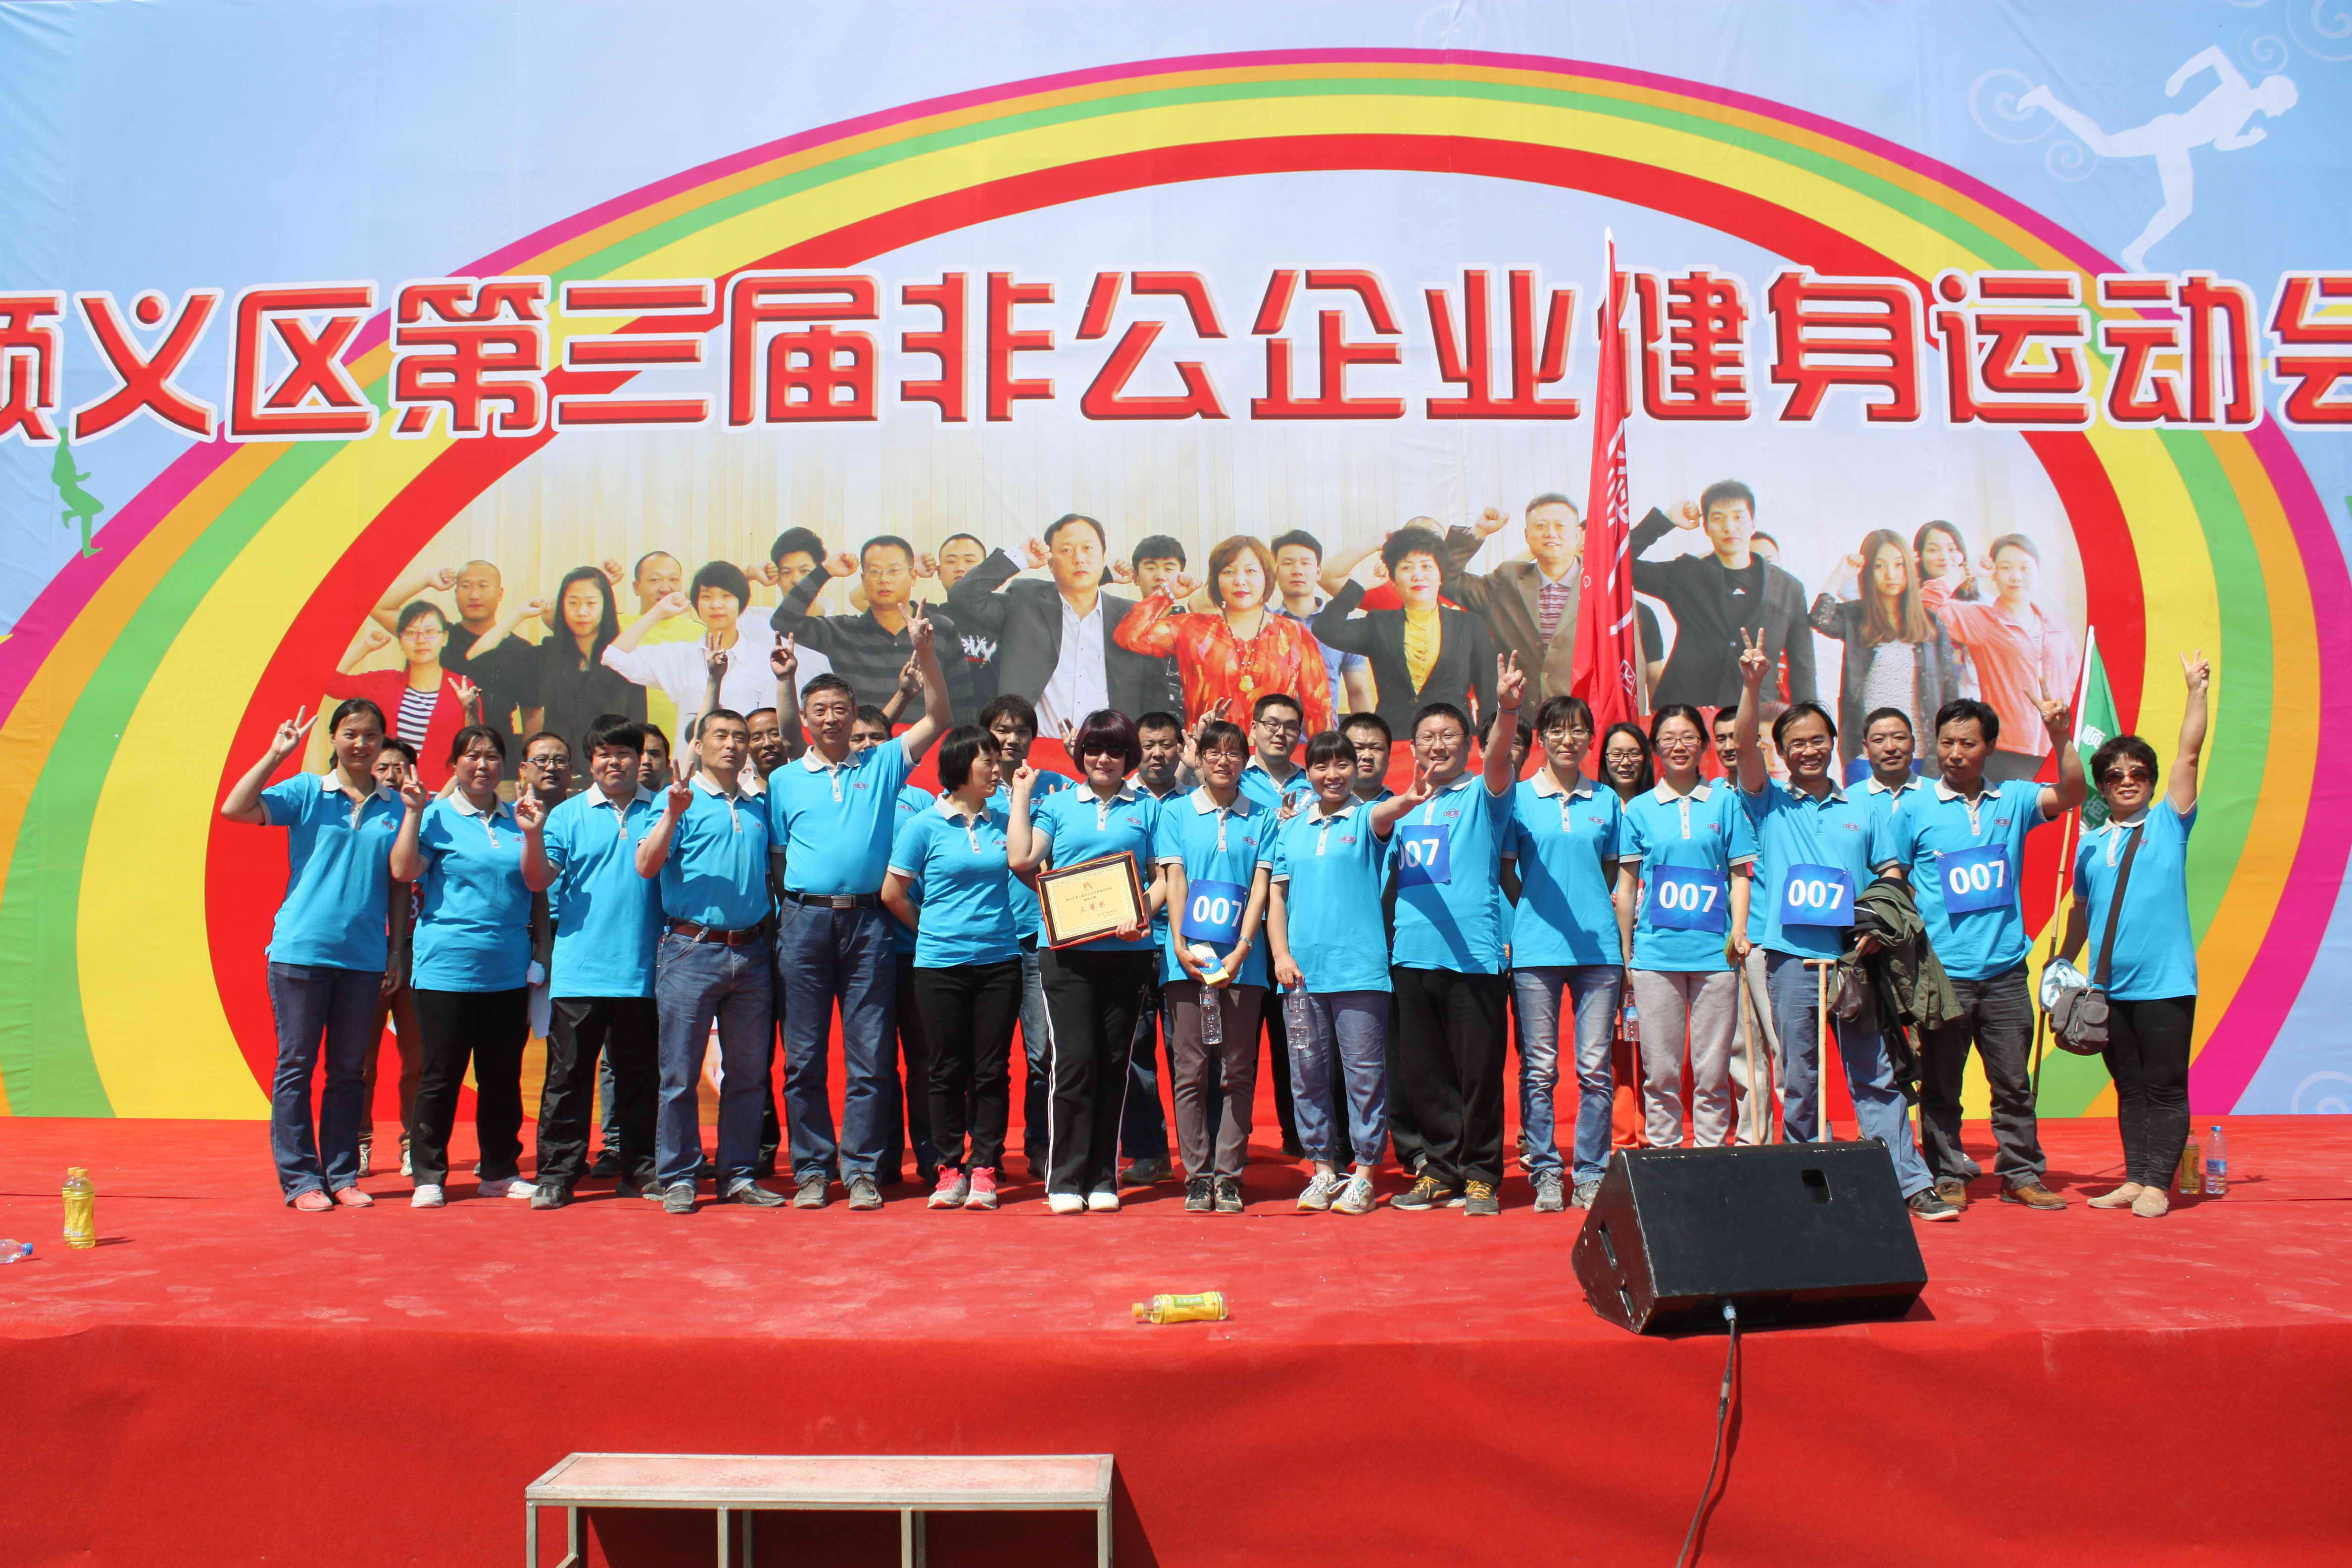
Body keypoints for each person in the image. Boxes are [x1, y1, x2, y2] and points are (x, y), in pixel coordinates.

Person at [1731, 634, 1958, 1221]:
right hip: (1791, 959)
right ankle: (1804, 1181)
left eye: (1817, 740)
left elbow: (1891, 875)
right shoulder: (1767, 803)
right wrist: (1753, 685)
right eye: (1796, 743)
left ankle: (1909, 1183)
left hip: (1858, 960)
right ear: (1781, 752)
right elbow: (1745, 746)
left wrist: (1881, 925)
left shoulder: (1865, 807)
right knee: (1800, 1077)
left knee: (1875, 1072)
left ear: (1834, 744)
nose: (1808, 750)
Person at [764, 597, 950, 1209]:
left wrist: (925, 651)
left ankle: (864, 1170)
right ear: (807, 718)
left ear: (854, 715)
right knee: (804, 1058)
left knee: (870, 1057)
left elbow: (940, 715)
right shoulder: (785, 780)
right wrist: (786, 679)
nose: (831, 719)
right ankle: (813, 1171)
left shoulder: (884, 762)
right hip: (804, 922)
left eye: (840, 709)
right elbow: (778, 858)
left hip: (868, 924)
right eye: (820, 710)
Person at [1875, 694, 2087, 1209]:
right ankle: (1947, 1173)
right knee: (1942, 1086)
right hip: (1942, 975)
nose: (1955, 753)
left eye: (1967, 743)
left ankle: (2021, 1174)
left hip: (2006, 973)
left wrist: (2060, 735)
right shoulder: (1914, 808)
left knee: (2013, 1083)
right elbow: (1894, 874)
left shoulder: (2013, 800)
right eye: (1946, 742)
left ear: (1989, 746)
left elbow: (2075, 792)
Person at [219, 699, 403, 1211]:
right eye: (351, 734)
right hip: (301, 951)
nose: (361, 744)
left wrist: (395, 951)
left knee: (348, 1071)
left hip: (363, 957)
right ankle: (301, 1179)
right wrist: (277, 755)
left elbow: (398, 884)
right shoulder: (306, 791)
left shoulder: (396, 805)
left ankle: (342, 1175)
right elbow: (234, 809)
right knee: (297, 1065)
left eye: (371, 735)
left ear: (382, 741)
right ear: (334, 738)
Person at [2061, 652, 2209, 1219]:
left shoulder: (2171, 821)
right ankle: (2134, 1178)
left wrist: (2196, 691)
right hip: (2107, 987)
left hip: (2165, 983)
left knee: (2166, 1086)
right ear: (2102, 787)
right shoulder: (2091, 844)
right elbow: (2081, 909)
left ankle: (2157, 1186)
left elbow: (2189, 753)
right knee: (2129, 1087)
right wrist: (2062, 962)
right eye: (2115, 776)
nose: (2127, 781)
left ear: (2151, 781)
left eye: (2138, 774)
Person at [1009, 709, 1166, 1212]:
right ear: (1081, 755)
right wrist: (1021, 795)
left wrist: (1141, 914)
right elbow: (1021, 859)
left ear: (1129, 757)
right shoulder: (1058, 805)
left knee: (1115, 1064)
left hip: (1128, 953)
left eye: (1115, 750)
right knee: (1074, 1063)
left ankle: (1102, 1179)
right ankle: (1065, 1179)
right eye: (1095, 749)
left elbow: (1163, 877)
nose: (1104, 759)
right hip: (1066, 956)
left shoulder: (1149, 809)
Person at [1384, 661, 1523, 1215]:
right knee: (1426, 1075)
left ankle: (1483, 1175)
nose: (1437, 746)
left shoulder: (1484, 795)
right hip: (1412, 957)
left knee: (1479, 1074)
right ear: (1413, 747)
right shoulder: (1404, 807)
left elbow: (1500, 756)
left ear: (1468, 745)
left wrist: (1507, 708)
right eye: (1427, 737)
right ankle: (1440, 1170)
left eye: (1448, 736)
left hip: (1473, 958)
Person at [1267, 729, 1419, 1214]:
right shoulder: (1291, 828)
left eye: (1342, 764)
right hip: (1300, 976)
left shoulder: (1365, 818)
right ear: (1308, 772)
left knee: (1364, 1077)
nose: (1332, 775)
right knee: (1307, 1075)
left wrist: (1410, 798)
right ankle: (1323, 1170)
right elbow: (1276, 898)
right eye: (1321, 765)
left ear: (1355, 769)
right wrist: (1281, 955)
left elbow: (1388, 812)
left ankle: (1365, 1173)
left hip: (1359, 971)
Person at [633, 706, 777, 1214]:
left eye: (740, 737)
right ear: (698, 744)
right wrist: (673, 814)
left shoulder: (759, 805)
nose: (732, 745)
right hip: (691, 951)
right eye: (721, 736)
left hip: (752, 953)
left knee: (748, 1076)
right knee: (679, 1075)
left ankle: (737, 1174)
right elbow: (645, 865)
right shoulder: (678, 799)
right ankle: (678, 1176)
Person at [518, 716, 663, 1208]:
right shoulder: (566, 815)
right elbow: (537, 881)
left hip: (644, 970)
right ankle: (557, 1174)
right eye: (604, 754)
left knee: (640, 1078)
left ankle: (640, 1171)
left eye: (624, 753)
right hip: (580, 971)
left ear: (640, 760)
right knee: (568, 1079)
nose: (614, 762)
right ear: (591, 762)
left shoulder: (662, 810)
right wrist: (532, 835)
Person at [1500, 694, 1636, 1212]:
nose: (1567, 739)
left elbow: (1612, 870)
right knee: (1539, 1068)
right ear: (1541, 738)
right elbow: (1507, 870)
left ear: (1590, 739)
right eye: (1557, 730)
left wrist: (1591, 907)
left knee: (1595, 1068)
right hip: (1536, 950)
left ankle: (1592, 1172)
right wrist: (1535, 908)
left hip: (1598, 950)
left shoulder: (1606, 800)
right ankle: (1546, 1171)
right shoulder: (1519, 798)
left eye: (1578, 730)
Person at [390, 725, 535, 1208]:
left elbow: (536, 885)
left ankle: (499, 1171)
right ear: (455, 765)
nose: (482, 765)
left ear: (504, 767)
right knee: (441, 1076)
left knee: (501, 1077)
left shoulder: (519, 819)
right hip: (445, 970)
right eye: (472, 756)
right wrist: (414, 813)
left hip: (507, 971)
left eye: (492, 756)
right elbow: (403, 870)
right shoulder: (435, 815)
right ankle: (429, 1175)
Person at [883, 724, 1022, 1210]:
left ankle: (984, 1168)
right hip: (939, 966)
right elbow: (893, 892)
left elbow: (1036, 867)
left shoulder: (1005, 822)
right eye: (988, 761)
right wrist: (931, 929)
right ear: (962, 766)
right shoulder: (924, 825)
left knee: (991, 1071)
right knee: (943, 1070)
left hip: (999, 963)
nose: (997, 769)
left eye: (998, 761)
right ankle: (948, 1168)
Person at [1150, 717, 1275, 1214]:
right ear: (1199, 758)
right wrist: (1181, 945)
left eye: (1234, 752)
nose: (1224, 761)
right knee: (1191, 1070)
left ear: (1246, 759)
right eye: (1214, 752)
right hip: (1186, 962)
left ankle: (1229, 1176)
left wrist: (1244, 947)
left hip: (1244, 962)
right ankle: (1197, 1177)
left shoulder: (1263, 817)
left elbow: (1262, 888)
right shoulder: (1176, 813)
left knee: (1237, 1072)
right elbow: (1175, 880)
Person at [1621, 704, 1758, 1152]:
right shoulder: (1640, 809)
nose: (1678, 746)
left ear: (1703, 744)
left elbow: (1740, 875)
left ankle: (1711, 1157)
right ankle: (1665, 1155)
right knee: (1660, 1071)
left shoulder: (1725, 802)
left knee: (1712, 1070)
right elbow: (1627, 885)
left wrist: (1739, 931)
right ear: (1655, 748)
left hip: (1715, 957)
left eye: (1688, 737)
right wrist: (1626, 953)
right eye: (1668, 738)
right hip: (1655, 957)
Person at [946, 512, 1166, 729]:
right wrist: (1020, 558)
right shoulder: (1024, 602)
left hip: (1111, 747)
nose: (1079, 559)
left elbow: (1154, 692)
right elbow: (962, 597)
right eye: (1067, 550)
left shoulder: (1129, 615)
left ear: (1103, 556)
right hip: (1034, 746)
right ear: (1050, 563)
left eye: (1088, 548)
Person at [1115, 534, 1335, 737]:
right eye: (1229, 572)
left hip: (1274, 759)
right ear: (1216, 580)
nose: (1240, 580)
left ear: (1268, 577)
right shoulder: (1192, 629)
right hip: (1208, 757)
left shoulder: (1294, 634)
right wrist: (1167, 594)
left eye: (1251, 571)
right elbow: (1129, 636)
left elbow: (1319, 711)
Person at [981, 692, 1072, 1177]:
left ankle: (1041, 1145)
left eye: (1021, 730)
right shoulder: (972, 792)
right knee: (987, 1057)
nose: (1012, 738)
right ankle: (985, 1154)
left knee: (1043, 1053)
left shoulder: (1057, 788)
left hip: (1041, 941)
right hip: (987, 943)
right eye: (1002, 729)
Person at [1628, 482, 1816, 710]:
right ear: (1706, 527)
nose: (1730, 527)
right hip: (1687, 712)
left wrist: (1808, 718)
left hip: (1755, 711)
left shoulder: (1789, 588)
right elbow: (1615, 566)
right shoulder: (1686, 574)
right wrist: (1666, 521)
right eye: (1719, 519)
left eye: (1739, 517)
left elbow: (1803, 665)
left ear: (1753, 524)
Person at [1919, 535, 2079, 784]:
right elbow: (1927, 605)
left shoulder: (2056, 625)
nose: (2016, 576)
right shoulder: (1983, 620)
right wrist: (1968, 571)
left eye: (2025, 568)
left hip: (2057, 747)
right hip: (2007, 751)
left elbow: (2074, 683)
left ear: (2038, 571)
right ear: (1994, 573)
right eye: (2006, 568)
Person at [1315, 525, 1496, 740]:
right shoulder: (1379, 624)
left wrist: (1488, 741)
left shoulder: (1469, 624)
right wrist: (1362, 584)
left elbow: (1489, 689)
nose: (1418, 575)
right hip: (1396, 740)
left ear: (1441, 575)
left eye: (1427, 566)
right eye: (1407, 568)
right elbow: (1326, 629)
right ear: (1393, 578)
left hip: (1454, 740)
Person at [769, 535, 977, 722]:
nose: (884, 579)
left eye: (894, 571)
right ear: (863, 579)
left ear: (913, 576)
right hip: (864, 746)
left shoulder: (939, 628)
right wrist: (826, 571)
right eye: (875, 572)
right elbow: (783, 623)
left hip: (930, 747)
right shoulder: (841, 631)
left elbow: (963, 703)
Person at [1810, 530, 1956, 777]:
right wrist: (1840, 575)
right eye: (1880, 566)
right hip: (1867, 753)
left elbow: (1949, 690)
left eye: (1899, 565)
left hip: (1920, 752)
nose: (1891, 574)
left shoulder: (1931, 624)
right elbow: (1819, 619)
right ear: (1868, 572)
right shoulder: (1856, 616)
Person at [1118, 711, 1189, 1186]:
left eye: (1166, 744)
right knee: (1136, 1050)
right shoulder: (1121, 801)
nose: (1157, 754)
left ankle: (1202, 1154)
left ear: (1181, 748)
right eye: (1148, 745)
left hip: (1187, 944)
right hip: (1131, 943)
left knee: (1188, 1052)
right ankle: (1148, 1152)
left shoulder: (1198, 802)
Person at [602, 561, 792, 738]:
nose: (716, 605)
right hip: (690, 762)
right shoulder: (681, 657)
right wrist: (659, 611)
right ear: (696, 603)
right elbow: (614, 656)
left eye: (726, 596)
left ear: (741, 602)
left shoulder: (763, 660)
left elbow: (772, 726)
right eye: (707, 597)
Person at [1439, 494, 1589, 711]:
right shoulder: (1507, 581)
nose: (1551, 533)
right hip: (1518, 717)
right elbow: (1446, 579)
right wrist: (1479, 531)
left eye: (1560, 526)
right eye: (1541, 526)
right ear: (1527, 535)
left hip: (1581, 717)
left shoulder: (1602, 587)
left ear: (1578, 535)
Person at [476, 566, 643, 751]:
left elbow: (639, 727)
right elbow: (478, 658)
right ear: (562, 607)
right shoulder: (545, 656)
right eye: (573, 603)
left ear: (606, 607)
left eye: (591, 603)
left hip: (612, 765)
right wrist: (519, 615)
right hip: (557, 764)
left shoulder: (625, 659)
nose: (581, 612)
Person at [370, 561, 536, 736]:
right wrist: (426, 580)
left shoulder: (521, 650)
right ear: (456, 593)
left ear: (500, 593)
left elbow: (532, 716)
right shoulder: (434, 636)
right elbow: (378, 607)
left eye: (483, 586)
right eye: (466, 586)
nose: (474, 595)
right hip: (425, 745)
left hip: (493, 749)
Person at [329, 602, 480, 792]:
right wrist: (364, 647)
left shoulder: (461, 687)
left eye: (430, 632)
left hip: (441, 796)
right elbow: (331, 683)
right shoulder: (383, 683)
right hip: (385, 793)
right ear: (400, 640)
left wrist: (470, 710)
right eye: (411, 633)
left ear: (445, 637)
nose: (421, 640)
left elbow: (475, 745)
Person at [360, 739, 425, 1178]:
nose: (391, 775)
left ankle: (414, 1143)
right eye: (383, 767)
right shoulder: (364, 818)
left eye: (400, 767)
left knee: (419, 1058)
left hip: (418, 951)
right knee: (359, 1060)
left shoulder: (427, 817)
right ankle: (357, 1142)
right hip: (366, 950)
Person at [1269, 530, 1375, 720]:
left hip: (1326, 735)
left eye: (1306, 563)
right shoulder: (1265, 625)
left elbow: (1358, 691)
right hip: (1275, 734)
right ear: (1276, 571)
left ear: (1318, 572)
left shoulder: (1343, 626)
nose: (1297, 571)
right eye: (1288, 563)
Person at [933, 531, 998, 708]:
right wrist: (912, 568)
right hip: (944, 718)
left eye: (969, 561)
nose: (960, 568)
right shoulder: (930, 617)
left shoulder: (1006, 613)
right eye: (951, 561)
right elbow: (872, 604)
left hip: (994, 719)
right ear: (939, 572)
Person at [1127, 534, 1190, 712]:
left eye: (1169, 569)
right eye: (1151, 568)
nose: (1160, 576)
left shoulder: (1193, 626)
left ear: (1181, 576)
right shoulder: (1121, 624)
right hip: (1132, 721)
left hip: (1181, 723)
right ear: (1136, 577)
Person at [1859, 706, 1926, 829]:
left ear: (1913, 743)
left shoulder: (1937, 795)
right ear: (1866, 748)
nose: (1890, 748)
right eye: (1879, 740)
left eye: (1899, 738)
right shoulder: (1850, 800)